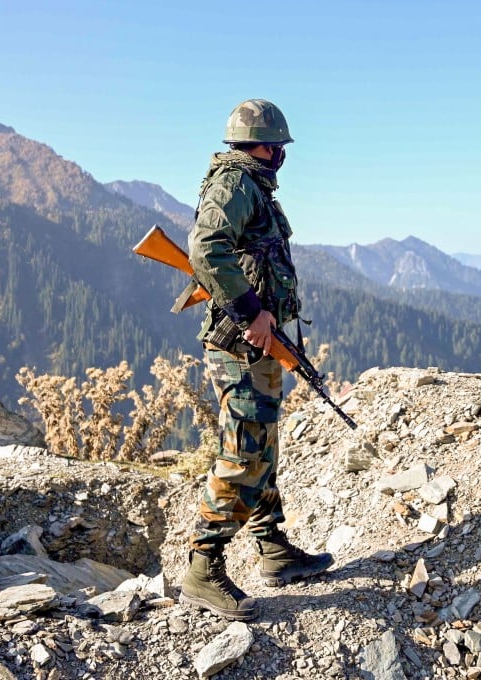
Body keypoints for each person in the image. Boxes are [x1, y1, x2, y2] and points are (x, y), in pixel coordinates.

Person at [179, 99, 333, 621]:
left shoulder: (250, 185)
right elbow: (205, 247)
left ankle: (270, 549)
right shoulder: (235, 185)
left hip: (259, 345)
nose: (281, 157)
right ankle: (202, 569)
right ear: (265, 146)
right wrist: (251, 312)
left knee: (261, 446)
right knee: (244, 454)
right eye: (280, 148)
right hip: (240, 346)